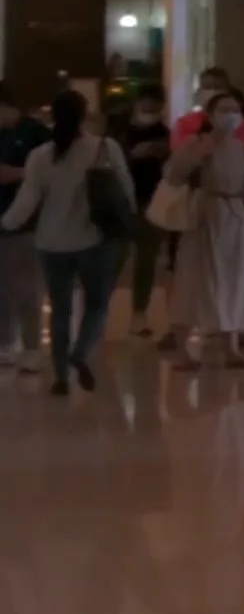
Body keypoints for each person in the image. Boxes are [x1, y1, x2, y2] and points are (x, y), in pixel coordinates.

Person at [6, 91, 131, 392]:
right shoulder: (104, 147)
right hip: (95, 240)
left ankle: (61, 378)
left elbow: (26, 203)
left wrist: (5, 223)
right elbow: (125, 190)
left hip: (51, 242)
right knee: (97, 303)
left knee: (60, 309)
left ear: (53, 117)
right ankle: (80, 352)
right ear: (84, 114)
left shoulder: (40, 156)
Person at [158, 84, 244, 369]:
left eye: (236, 110)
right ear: (209, 115)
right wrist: (199, 153)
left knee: (235, 280)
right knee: (193, 278)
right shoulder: (195, 143)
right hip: (203, 213)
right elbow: (174, 175)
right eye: (224, 110)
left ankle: (231, 346)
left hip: (233, 215)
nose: (231, 115)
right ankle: (183, 349)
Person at [118, 88, 173, 337]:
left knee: (146, 261)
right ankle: (97, 312)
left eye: (155, 107)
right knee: (113, 259)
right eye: (146, 105)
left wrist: (160, 151)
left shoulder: (166, 135)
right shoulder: (118, 130)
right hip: (120, 203)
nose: (150, 111)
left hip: (152, 202)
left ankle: (139, 313)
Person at [0, 87, 46, 371]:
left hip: (26, 224)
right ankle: (5, 343)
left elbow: (51, 170)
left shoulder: (35, 133)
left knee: (27, 288)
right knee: (1, 290)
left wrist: (15, 173)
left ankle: (32, 347)